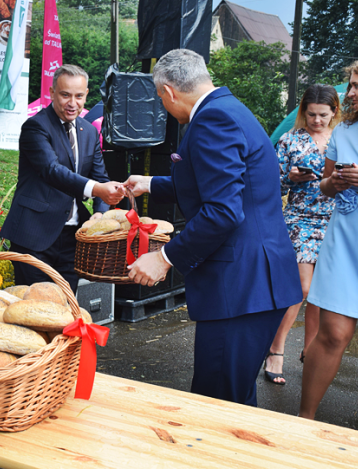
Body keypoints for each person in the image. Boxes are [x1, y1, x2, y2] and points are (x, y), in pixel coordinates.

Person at [124, 49, 302, 406]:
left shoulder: (211, 120)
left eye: (160, 97)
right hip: (256, 280)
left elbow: (222, 211)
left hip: (241, 286)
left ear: (170, 92)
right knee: (233, 396)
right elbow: (218, 183)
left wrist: (165, 258)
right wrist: (150, 182)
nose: (163, 105)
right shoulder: (228, 107)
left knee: (217, 403)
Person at [299, 54, 358, 438]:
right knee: (332, 332)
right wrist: (332, 184)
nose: (349, 92)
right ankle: (303, 420)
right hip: (346, 237)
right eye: (350, 84)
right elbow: (324, 185)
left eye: (357, 86)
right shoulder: (344, 131)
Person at [0, 64, 125, 293]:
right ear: (52, 92)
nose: (72, 103)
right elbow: (51, 170)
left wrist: (99, 212)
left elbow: (100, 177)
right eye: (65, 95)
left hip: (72, 239)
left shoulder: (89, 131)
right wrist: (97, 189)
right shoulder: (35, 127)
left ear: (86, 95)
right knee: (34, 311)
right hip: (34, 236)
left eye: (78, 96)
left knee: (66, 308)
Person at [263, 85, 340, 385]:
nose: (317, 121)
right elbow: (273, 185)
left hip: (336, 219)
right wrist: (291, 178)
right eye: (311, 114)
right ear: (303, 111)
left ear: (334, 112)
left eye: (323, 115)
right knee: (303, 288)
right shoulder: (289, 139)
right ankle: (276, 348)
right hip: (300, 217)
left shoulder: (343, 139)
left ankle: (311, 351)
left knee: (322, 292)